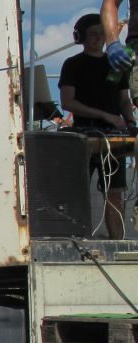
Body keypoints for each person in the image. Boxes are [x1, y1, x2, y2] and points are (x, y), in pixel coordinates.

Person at [60, 12, 135, 239]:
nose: (99, 38)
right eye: (93, 34)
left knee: (115, 194)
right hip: (83, 138)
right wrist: (106, 116)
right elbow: (67, 102)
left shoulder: (115, 65)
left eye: (102, 33)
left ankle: (117, 244)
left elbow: (124, 100)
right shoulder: (73, 64)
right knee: (76, 194)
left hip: (113, 140)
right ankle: (76, 240)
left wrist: (131, 122)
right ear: (80, 37)